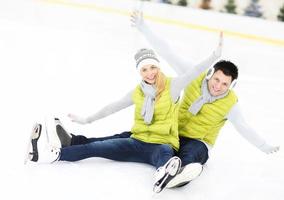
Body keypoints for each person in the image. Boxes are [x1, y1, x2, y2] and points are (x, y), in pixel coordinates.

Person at [54, 10, 280, 189]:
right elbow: (168, 51)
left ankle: (182, 171)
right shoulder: (193, 76)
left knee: (192, 153)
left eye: (224, 84)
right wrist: (143, 28)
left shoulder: (231, 103)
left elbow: (244, 127)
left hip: (198, 141)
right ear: (211, 74)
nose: (218, 86)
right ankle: (75, 141)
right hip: (169, 133)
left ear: (231, 86)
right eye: (217, 79)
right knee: (126, 138)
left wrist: (264, 146)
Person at [27, 42, 222, 192]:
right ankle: (53, 155)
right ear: (140, 72)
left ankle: (163, 175)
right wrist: (87, 119)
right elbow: (112, 107)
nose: (150, 73)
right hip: (136, 142)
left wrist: (214, 56)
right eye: (144, 69)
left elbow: (194, 72)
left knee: (164, 157)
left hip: (163, 144)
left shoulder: (173, 86)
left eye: (152, 67)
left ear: (158, 67)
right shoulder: (138, 92)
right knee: (95, 148)